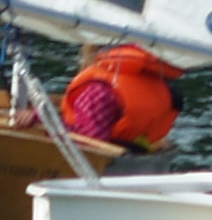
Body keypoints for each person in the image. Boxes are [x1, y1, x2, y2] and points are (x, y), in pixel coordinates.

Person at [47, 44, 184, 150]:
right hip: (140, 149)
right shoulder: (156, 82)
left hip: (105, 161)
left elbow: (92, 145)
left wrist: (46, 122)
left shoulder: (96, 92)